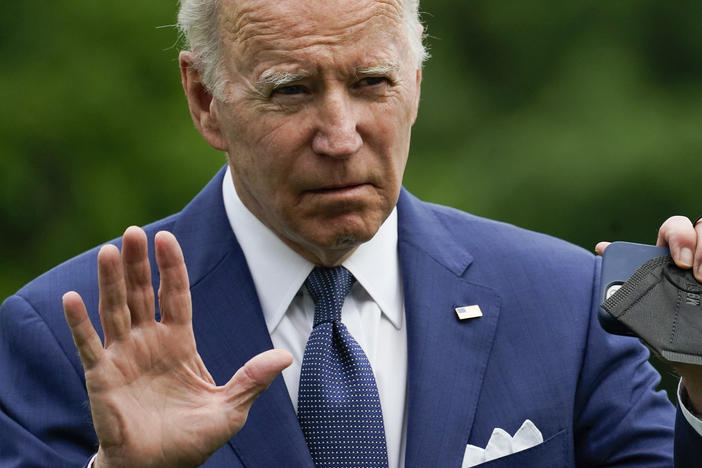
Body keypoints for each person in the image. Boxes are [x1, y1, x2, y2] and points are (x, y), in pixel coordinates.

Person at [1, 0, 702, 466]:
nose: (340, 136)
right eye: (291, 91)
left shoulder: (561, 303)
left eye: (371, 82)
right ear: (205, 100)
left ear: (417, 83)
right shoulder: (62, 340)